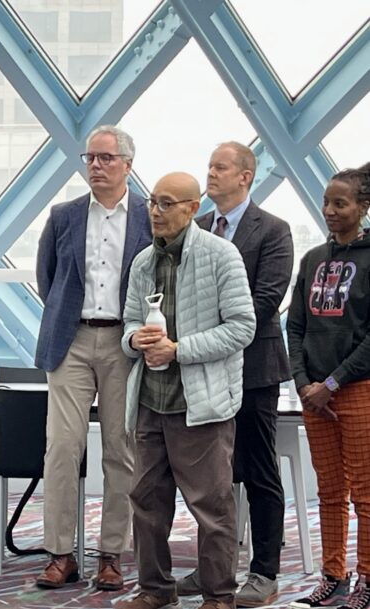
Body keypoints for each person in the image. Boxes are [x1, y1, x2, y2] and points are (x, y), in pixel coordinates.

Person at [117, 172, 255, 609]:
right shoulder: (142, 262)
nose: (155, 211)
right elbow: (129, 326)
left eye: (166, 203)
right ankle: (155, 590)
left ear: (193, 208)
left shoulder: (221, 255)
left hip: (202, 405)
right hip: (150, 401)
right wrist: (135, 340)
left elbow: (242, 328)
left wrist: (179, 350)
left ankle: (218, 596)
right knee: (146, 502)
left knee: (210, 508)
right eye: (152, 203)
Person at [34, 125, 152, 589]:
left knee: (121, 452)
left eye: (106, 158)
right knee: (62, 448)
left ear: (128, 164)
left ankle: (110, 555)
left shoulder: (147, 215)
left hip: (125, 343)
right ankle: (60, 554)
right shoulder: (63, 215)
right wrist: (67, 318)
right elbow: (49, 279)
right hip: (72, 341)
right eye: (90, 158)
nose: (96, 166)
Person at [178, 142, 293, 607]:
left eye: (220, 167)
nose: (211, 174)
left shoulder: (275, 230)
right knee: (211, 477)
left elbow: (265, 301)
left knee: (260, 472)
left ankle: (264, 573)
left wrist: (210, 330)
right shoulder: (198, 227)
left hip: (254, 371)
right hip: (205, 368)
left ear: (245, 176)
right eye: (208, 166)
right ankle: (214, 570)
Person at [286, 166, 370, 609]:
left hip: (356, 390)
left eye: (341, 204)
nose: (330, 211)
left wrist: (333, 383)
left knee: (365, 493)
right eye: (326, 203)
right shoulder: (312, 259)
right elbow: (294, 326)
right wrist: (304, 384)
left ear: (362, 207)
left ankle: (368, 580)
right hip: (312, 395)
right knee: (330, 491)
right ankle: (333, 576)